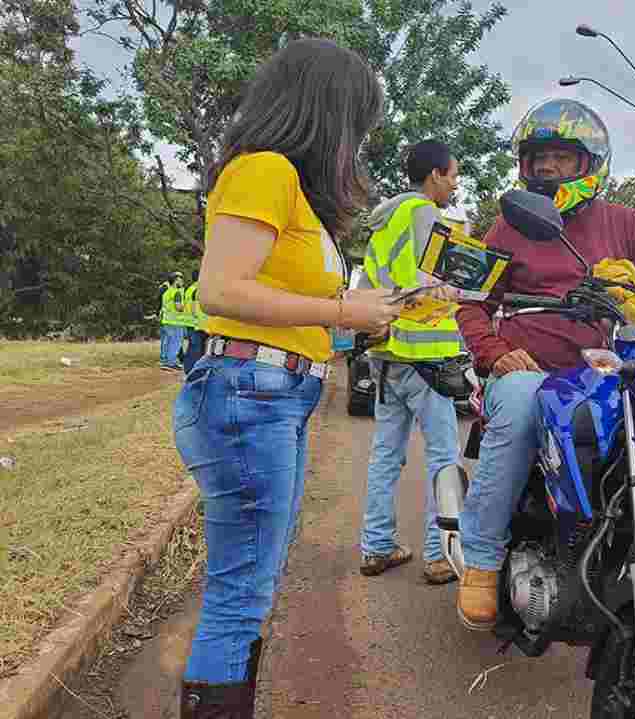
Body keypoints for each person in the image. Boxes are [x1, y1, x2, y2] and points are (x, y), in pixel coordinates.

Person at [453, 97, 635, 694]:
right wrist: (494, 353)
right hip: (531, 374)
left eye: (561, 157)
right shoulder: (510, 225)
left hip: (604, 375)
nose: (547, 168)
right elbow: (472, 302)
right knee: (518, 402)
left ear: (590, 164)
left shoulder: (625, 223)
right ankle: (485, 557)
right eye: (538, 158)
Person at [171, 38, 388, 718]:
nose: (357, 142)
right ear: (326, 111)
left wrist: (365, 316)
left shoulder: (293, 188)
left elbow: (293, 308)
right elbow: (220, 289)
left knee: (250, 588)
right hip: (247, 395)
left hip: (277, 396)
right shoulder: (263, 169)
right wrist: (341, 308)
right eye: (357, 123)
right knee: (240, 594)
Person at [357, 139, 463, 586]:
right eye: (453, 174)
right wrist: (457, 286)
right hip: (424, 356)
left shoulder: (384, 223)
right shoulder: (423, 213)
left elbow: (369, 284)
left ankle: (376, 546)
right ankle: (439, 556)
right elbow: (427, 282)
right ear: (435, 174)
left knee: (386, 455)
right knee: (442, 456)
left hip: (387, 355)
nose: (455, 183)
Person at [182, 270, 209, 375]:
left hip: (190, 322)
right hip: (197, 324)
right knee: (197, 350)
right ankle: (193, 371)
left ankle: (188, 369)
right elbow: (195, 310)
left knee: (192, 348)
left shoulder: (189, 289)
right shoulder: (197, 290)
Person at [159, 272, 186, 370]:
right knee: (175, 343)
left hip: (167, 320)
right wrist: (185, 306)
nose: (182, 281)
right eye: (180, 279)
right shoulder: (177, 292)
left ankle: (165, 362)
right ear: (175, 281)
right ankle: (171, 362)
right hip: (176, 321)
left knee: (168, 343)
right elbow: (178, 307)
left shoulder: (166, 292)